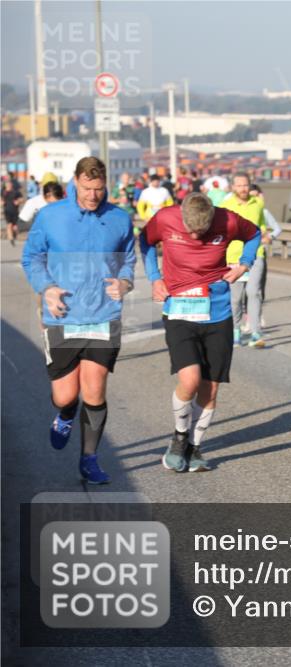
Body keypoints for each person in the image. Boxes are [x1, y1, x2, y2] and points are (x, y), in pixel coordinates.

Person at [21, 156, 136, 484]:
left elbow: (128, 258)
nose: (92, 195)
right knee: (65, 395)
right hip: (63, 315)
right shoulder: (51, 216)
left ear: (106, 185)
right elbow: (32, 257)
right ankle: (66, 413)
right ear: (75, 181)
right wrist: (46, 288)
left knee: (95, 390)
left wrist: (124, 282)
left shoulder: (119, 218)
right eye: (87, 188)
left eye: (99, 189)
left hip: (103, 314)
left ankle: (89, 459)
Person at [140, 192, 261, 473]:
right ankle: (179, 437)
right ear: (182, 216)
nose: (195, 237)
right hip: (180, 310)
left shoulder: (228, 220)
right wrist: (155, 278)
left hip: (217, 311)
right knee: (190, 379)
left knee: (211, 387)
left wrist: (244, 264)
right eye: (190, 231)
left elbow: (254, 234)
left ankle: (195, 447)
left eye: (202, 231)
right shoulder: (165, 218)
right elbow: (145, 241)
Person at [219, 173, 268, 347]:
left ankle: (255, 333)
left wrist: (264, 234)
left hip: (256, 254)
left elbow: (262, 225)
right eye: (239, 185)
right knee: (235, 299)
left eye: (246, 185)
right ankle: (235, 332)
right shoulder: (225, 206)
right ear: (233, 187)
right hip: (233, 257)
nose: (243, 189)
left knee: (253, 292)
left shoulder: (258, 203)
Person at [248, 183, 283, 327]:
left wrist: (269, 237)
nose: (255, 199)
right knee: (244, 290)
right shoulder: (240, 211)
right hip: (242, 254)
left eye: (257, 196)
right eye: (252, 196)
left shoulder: (264, 211)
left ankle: (257, 315)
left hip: (259, 253)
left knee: (258, 287)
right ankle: (248, 319)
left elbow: (277, 229)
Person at [3, 179, 25, 245]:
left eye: (9, 184)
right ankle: (11, 239)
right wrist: (1, 202)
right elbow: (1, 199)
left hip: (15, 211)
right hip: (7, 211)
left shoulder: (16, 192)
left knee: (15, 226)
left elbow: (22, 199)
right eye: (7, 185)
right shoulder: (3, 192)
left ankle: (15, 235)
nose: (8, 186)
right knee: (9, 225)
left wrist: (18, 201)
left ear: (11, 185)